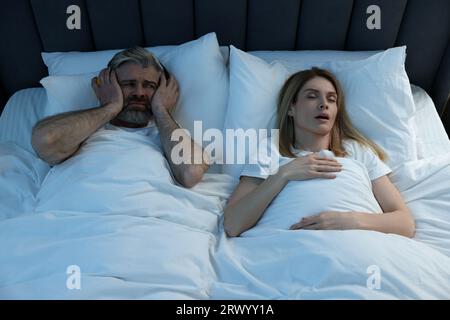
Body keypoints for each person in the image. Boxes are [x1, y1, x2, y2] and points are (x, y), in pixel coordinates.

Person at [224, 67, 415, 237]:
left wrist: (349, 221)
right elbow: (233, 224)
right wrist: (283, 174)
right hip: (288, 246)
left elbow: (405, 224)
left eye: (331, 99)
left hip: (360, 245)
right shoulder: (270, 150)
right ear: (291, 108)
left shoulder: (358, 151)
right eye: (312, 96)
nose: (324, 104)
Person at [32, 47, 208, 188]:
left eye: (149, 85)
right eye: (128, 84)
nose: (139, 93)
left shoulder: (169, 135)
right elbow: (46, 140)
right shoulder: (82, 131)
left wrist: (161, 109)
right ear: (109, 84)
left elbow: (190, 173)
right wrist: (110, 107)